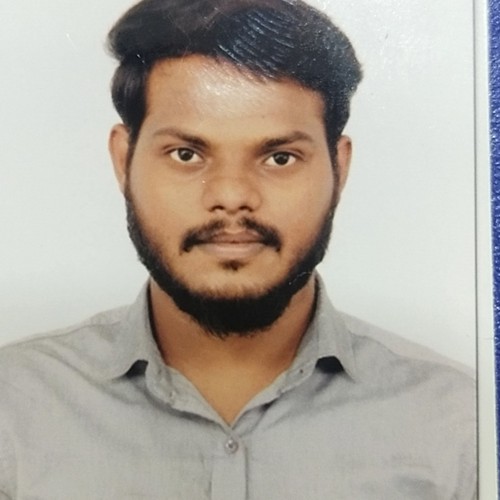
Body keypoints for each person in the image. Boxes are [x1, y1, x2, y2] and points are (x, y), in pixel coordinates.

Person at [0, 0, 476, 498]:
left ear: (339, 169)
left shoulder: (458, 426)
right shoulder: (15, 411)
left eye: (279, 157)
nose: (231, 196)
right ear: (124, 161)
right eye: (186, 154)